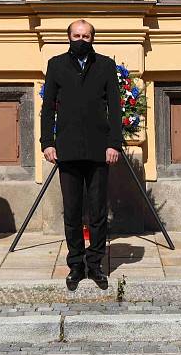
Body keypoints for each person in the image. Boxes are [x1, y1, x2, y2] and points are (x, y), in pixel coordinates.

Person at [41, 19, 123, 291]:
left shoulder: (106, 65)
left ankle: (96, 263)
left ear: (93, 39)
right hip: (68, 149)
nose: (81, 40)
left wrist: (114, 144)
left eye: (86, 36)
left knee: (98, 211)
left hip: (100, 150)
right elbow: (48, 107)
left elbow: (115, 106)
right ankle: (76, 264)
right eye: (76, 35)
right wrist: (47, 142)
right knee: (73, 212)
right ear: (68, 37)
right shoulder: (56, 65)